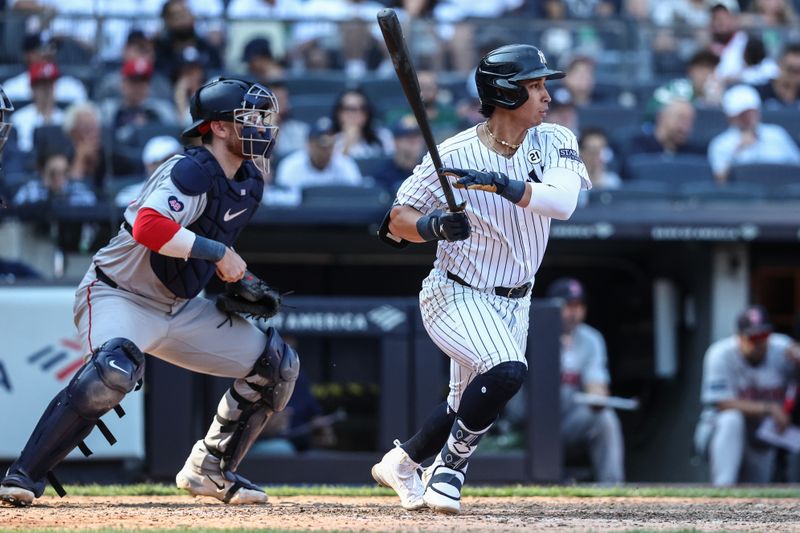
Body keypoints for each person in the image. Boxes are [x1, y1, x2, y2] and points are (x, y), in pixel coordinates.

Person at [0, 77, 299, 508]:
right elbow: (150, 228)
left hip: (179, 308)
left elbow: (195, 247)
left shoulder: (250, 181)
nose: (261, 127)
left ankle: (210, 468)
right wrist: (219, 254)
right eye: (248, 118)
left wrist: (235, 279)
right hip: (117, 295)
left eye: (261, 118)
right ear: (217, 126)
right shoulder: (191, 168)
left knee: (277, 366)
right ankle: (24, 474)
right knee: (113, 371)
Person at [371, 44, 590, 514]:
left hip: (518, 298)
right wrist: (433, 226)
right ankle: (449, 469)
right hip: (455, 291)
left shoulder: (554, 139)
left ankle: (403, 462)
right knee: (508, 370)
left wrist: (499, 184)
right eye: (534, 86)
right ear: (506, 94)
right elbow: (395, 221)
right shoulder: (452, 154)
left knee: (464, 404)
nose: (546, 95)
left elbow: (564, 203)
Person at [694, 305, 800, 486]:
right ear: (739, 336)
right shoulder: (720, 353)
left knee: (755, 491)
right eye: (753, 337)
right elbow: (722, 403)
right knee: (731, 419)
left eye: (764, 336)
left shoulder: (782, 348)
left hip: (763, 434)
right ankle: (723, 489)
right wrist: (769, 408)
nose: (759, 342)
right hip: (718, 431)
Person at [547, 278, 624, 484]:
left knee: (604, 417)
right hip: (529, 424)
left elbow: (595, 382)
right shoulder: (531, 331)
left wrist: (598, 395)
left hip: (568, 422)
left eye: (579, 305)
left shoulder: (591, 338)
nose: (575, 312)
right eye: (569, 305)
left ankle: (612, 488)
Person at [708, 84, 800, 183]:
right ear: (731, 117)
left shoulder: (777, 134)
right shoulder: (720, 144)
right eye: (742, 114)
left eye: (751, 111)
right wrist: (737, 152)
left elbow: (796, 166)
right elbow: (720, 181)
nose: (749, 117)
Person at [272, 116, 363, 205]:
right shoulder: (291, 165)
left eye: (330, 143)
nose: (326, 149)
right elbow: (282, 202)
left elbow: (356, 198)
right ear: (309, 143)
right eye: (321, 143)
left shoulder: (345, 164)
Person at [331, 88, 394, 160]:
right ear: (339, 113)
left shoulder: (383, 136)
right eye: (349, 108)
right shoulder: (331, 141)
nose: (357, 113)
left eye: (362, 108)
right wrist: (348, 144)